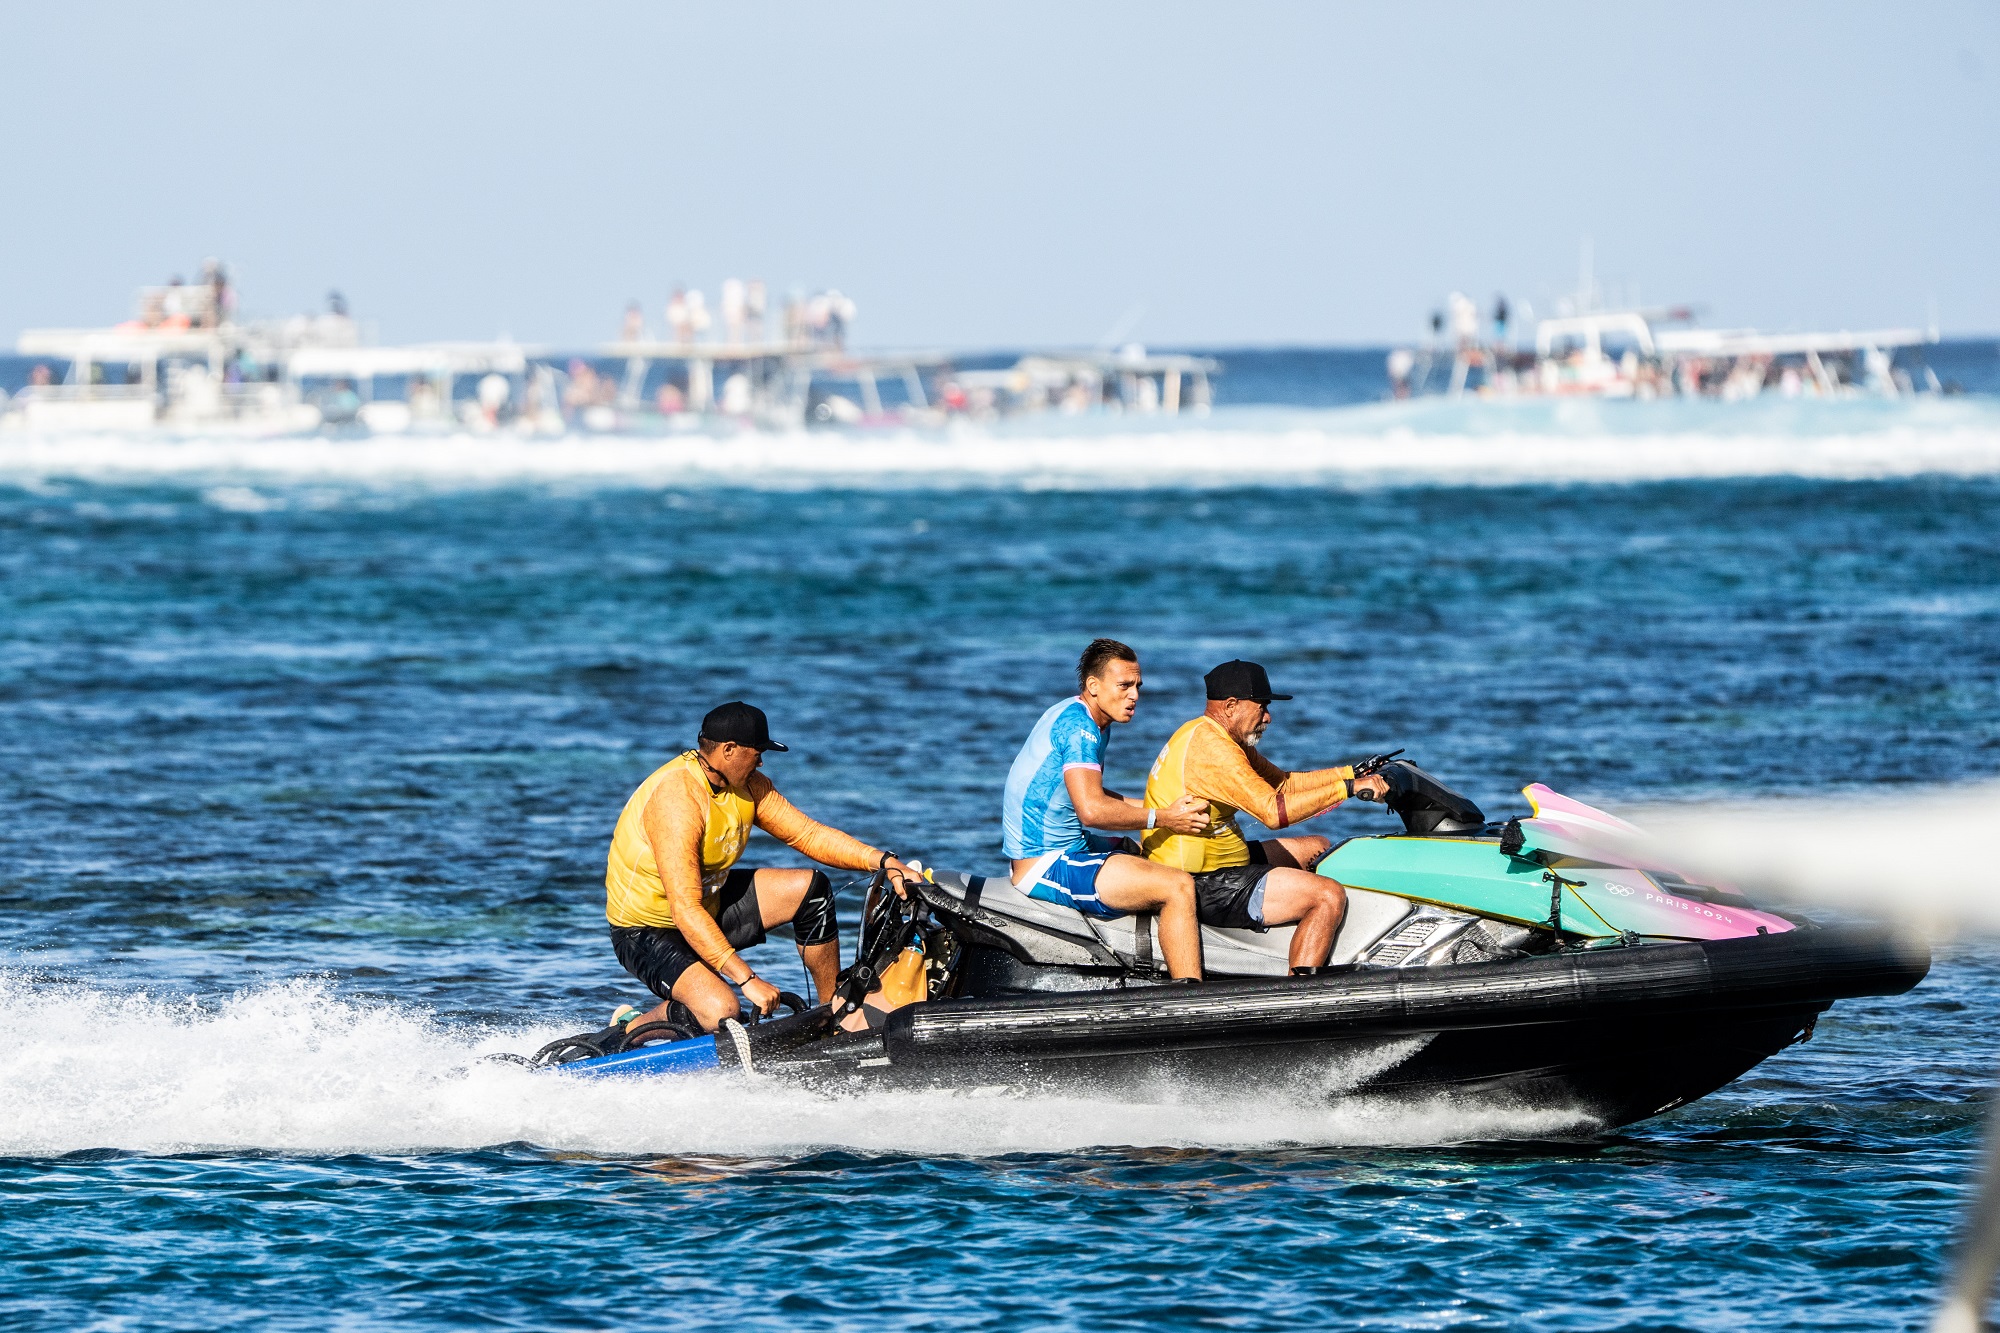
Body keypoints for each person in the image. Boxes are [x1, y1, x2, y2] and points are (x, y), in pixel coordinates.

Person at [604, 701, 918, 1033]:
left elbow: (807, 833)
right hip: (647, 931)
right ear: (728, 750)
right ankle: (630, 1026)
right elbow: (684, 908)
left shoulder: (748, 785)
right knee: (722, 1011)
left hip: (708, 906)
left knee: (810, 889)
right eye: (756, 752)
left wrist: (885, 862)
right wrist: (747, 979)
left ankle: (834, 1019)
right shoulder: (677, 799)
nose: (761, 761)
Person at [1140, 660, 1389, 973]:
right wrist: (1349, 789)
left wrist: (1353, 773)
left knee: (1317, 846)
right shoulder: (1215, 751)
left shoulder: (1214, 735)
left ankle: (1303, 932)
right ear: (1231, 705)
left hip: (1222, 862)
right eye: (1262, 707)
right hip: (1201, 883)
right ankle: (1297, 994)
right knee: (1328, 894)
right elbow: (1274, 812)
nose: (1268, 717)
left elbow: (1284, 783)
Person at [1002, 639, 1211, 980]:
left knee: (1143, 848)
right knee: (1178, 886)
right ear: (1093, 686)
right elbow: (1093, 811)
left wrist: (1162, 810)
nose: (1135, 696)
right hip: (1045, 864)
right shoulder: (1081, 729)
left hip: (1067, 847)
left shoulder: (1080, 714)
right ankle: (1189, 993)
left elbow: (1087, 790)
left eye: (1138, 686)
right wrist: (1163, 817)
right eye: (1125, 686)